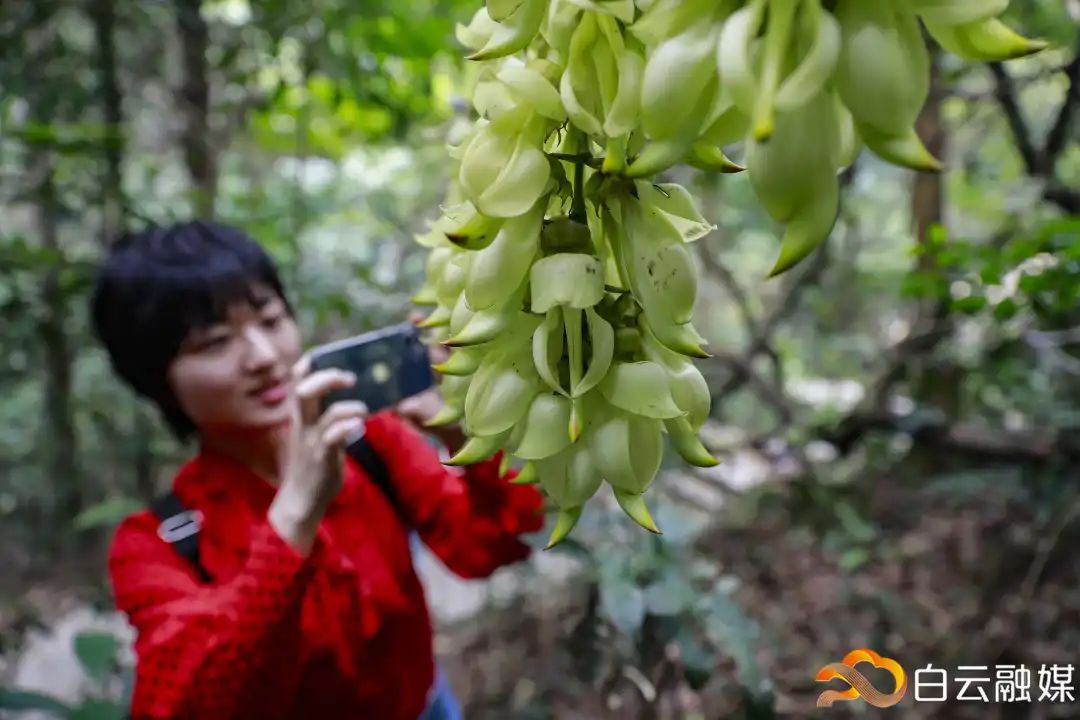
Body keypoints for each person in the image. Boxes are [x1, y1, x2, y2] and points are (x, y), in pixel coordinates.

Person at [90, 221, 545, 720]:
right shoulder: (153, 544)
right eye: (215, 343)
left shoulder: (371, 440)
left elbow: (490, 545)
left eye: (270, 320)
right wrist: (295, 515)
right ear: (157, 380)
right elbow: (192, 702)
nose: (265, 358)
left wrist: (461, 435)